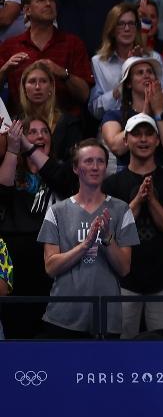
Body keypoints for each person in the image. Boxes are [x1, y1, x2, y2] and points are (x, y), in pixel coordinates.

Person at [37, 139, 137, 338]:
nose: (95, 167)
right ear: (75, 168)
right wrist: (85, 245)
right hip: (63, 318)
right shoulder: (56, 211)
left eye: (100, 161)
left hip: (106, 319)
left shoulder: (121, 209)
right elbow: (50, 267)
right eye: (88, 161)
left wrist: (107, 238)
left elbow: (124, 268)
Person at [102, 114, 163, 338]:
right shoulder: (111, 185)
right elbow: (109, 233)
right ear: (126, 140)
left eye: (149, 134)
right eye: (137, 134)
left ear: (158, 140)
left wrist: (152, 201)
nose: (143, 139)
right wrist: (138, 201)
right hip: (123, 282)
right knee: (120, 354)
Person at [0, 117, 75, 338]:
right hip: (16, 261)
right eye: (31, 132)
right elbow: (2, 193)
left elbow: (66, 182)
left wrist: (29, 146)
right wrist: (14, 149)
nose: (39, 136)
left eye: (44, 132)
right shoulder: (11, 168)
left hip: (51, 261)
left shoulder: (60, 170)